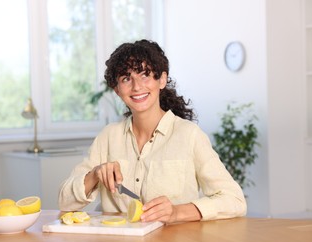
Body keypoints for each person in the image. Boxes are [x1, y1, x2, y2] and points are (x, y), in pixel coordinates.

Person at [58, 39, 247, 224]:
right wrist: (95, 174)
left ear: (162, 80)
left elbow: (235, 200)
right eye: (126, 78)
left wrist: (177, 212)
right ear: (117, 89)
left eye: (144, 75)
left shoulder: (190, 135)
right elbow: (65, 202)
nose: (137, 86)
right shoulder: (108, 137)